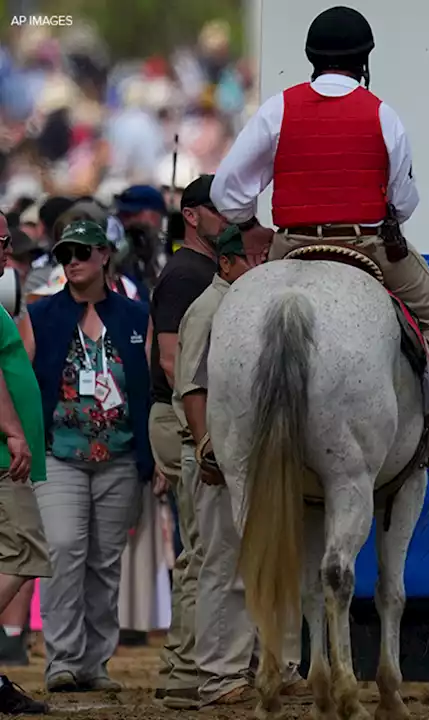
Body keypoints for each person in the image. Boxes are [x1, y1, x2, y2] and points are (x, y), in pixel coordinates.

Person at [211, 4, 429, 481]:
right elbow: (404, 203)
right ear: (364, 59)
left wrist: (250, 225)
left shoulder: (278, 108)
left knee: (224, 320)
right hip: (367, 246)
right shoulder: (383, 115)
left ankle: (217, 438)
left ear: (311, 57)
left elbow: (225, 192)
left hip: (289, 245)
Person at [21, 220, 153, 692]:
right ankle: (61, 659)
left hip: (120, 458)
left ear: (103, 255)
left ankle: (95, 664)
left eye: (80, 252)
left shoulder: (138, 317)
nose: (71, 261)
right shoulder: (40, 316)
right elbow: (22, 382)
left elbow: (151, 388)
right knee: (61, 550)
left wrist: (153, 459)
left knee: (104, 563)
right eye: (63, 255)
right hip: (59, 454)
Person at [173, 225, 300, 706]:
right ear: (225, 263)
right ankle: (219, 675)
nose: (261, 263)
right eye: (251, 257)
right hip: (219, 456)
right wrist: (208, 445)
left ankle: (273, 664)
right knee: (223, 563)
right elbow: (192, 388)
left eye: (266, 255)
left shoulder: (252, 304)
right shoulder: (210, 308)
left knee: (265, 558)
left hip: (253, 453)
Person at [145, 174, 222, 708]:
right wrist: (200, 429)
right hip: (184, 417)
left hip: (183, 418)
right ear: (191, 215)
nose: (230, 216)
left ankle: (186, 661)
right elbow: (170, 359)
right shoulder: (185, 273)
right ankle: (185, 667)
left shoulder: (195, 270)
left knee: (200, 547)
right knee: (201, 549)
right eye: (219, 208)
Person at [0, 214, 52, 714]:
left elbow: (24, 353)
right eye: (1, 242)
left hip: (5, 457)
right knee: (25, 551)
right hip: (2, 457)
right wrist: (15, 432)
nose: (7, 251)